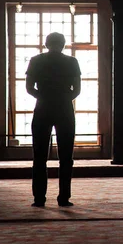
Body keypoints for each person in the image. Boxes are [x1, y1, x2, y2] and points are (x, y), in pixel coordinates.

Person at [26, 32, 81, 207]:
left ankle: (39, 198)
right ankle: (64, 197)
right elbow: (77, 90)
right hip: (65, 109)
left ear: (46, 44)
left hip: (42, 108)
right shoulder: (71, 62)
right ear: (63, 45)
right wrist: (64, 98)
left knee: (40, 155)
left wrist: (42, 97)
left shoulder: (36, 60)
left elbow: (29, 88)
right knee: (66, 156)